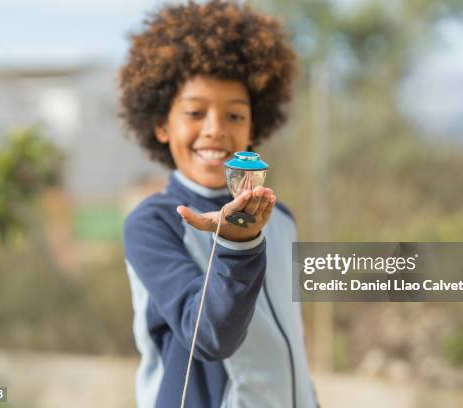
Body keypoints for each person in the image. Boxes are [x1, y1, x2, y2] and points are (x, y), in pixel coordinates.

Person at [119, 1, 317, 406]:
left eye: (234, 116)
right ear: (161, 124)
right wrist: (237, 247)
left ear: (253, 128)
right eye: (195, 112)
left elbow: (289, 347)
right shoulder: (153, 223)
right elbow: (208, 337)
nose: (214, 130)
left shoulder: (280, 219)